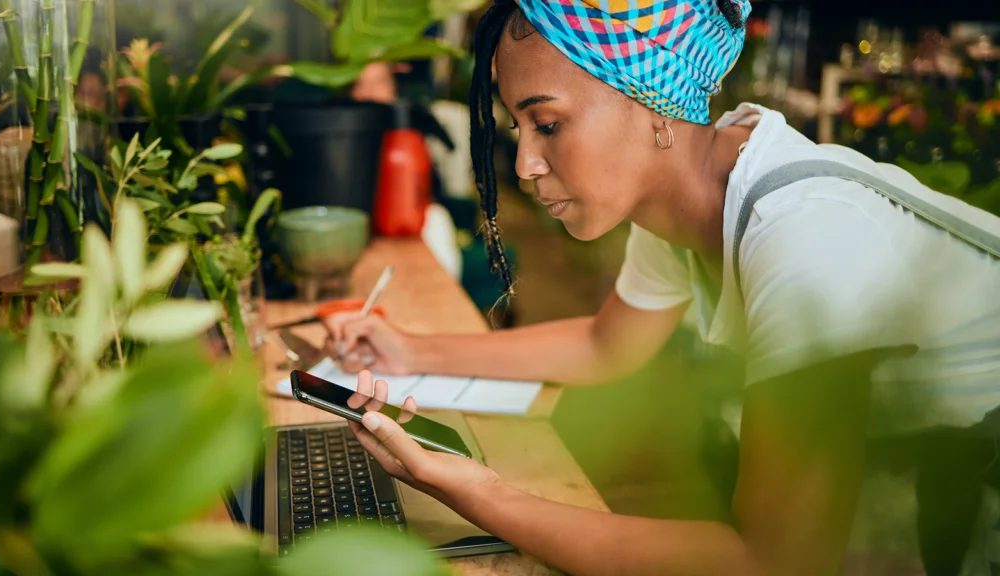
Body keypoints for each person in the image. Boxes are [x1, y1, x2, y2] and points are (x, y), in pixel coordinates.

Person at [327, 1, 1000, 574]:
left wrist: (481, 493)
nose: (527, 164)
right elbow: (605, 345)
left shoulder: (805, 235)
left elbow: (776, 560)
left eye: (549, 124)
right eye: (518, 127)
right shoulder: (684, 195)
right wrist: (407, 349)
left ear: (650, 102)